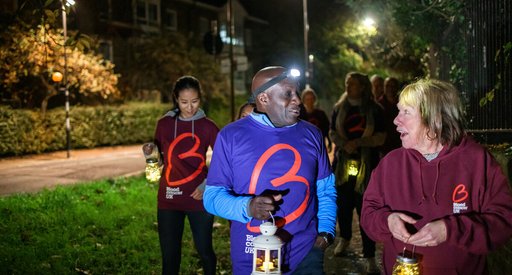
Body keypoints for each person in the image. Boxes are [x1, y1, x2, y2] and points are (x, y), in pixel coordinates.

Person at [361, 79, 512, 274]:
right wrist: (387, 221)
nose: (396, 120)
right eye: (399, 111)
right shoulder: (390, 163)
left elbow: (503, 223)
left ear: (434, 118)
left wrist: (450, 230)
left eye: (406, 112)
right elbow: (368, 214)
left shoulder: (477, 160)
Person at [203, 66, 337, 274]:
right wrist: (248, 207)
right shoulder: (231, 136)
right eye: (288, 94)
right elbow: (211, 197)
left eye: (297, 93)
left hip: (306, 253)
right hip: (253, 255)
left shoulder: (312, 134)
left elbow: (326, 189)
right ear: (264, 99)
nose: (298, 100)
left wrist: (326, 233)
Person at [153, 75, 219, 275]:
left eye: (194, 101)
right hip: (169, 197)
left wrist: (208, 183)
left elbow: (225, 160)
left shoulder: (208, 126)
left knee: (204, 250)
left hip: (198, 197)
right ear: (175, 99)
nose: (189, 107)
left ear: (200, 99)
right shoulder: (164, 124)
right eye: (184, 102)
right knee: (170, 256)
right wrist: (151, 155)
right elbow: (158, 159)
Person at [329, 72, 385, 274]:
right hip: (343, 165)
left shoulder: (374, 110)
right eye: (347, 83)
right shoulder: (339, 108)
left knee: (365, 210)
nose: (348, 86)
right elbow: (332, 132)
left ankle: (369, 254)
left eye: (352, 84)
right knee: (343, 206)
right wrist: (345, 144)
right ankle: (344, 238)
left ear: (362, 87)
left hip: (367, 166)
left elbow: (381, 137)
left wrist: (359, 142)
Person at [378, 77, 402, 156]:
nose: (390, 89)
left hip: (399, 143)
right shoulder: (378, 105)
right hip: (383, 146)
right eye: (388, 86)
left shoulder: (403, 104)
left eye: (393, 86)